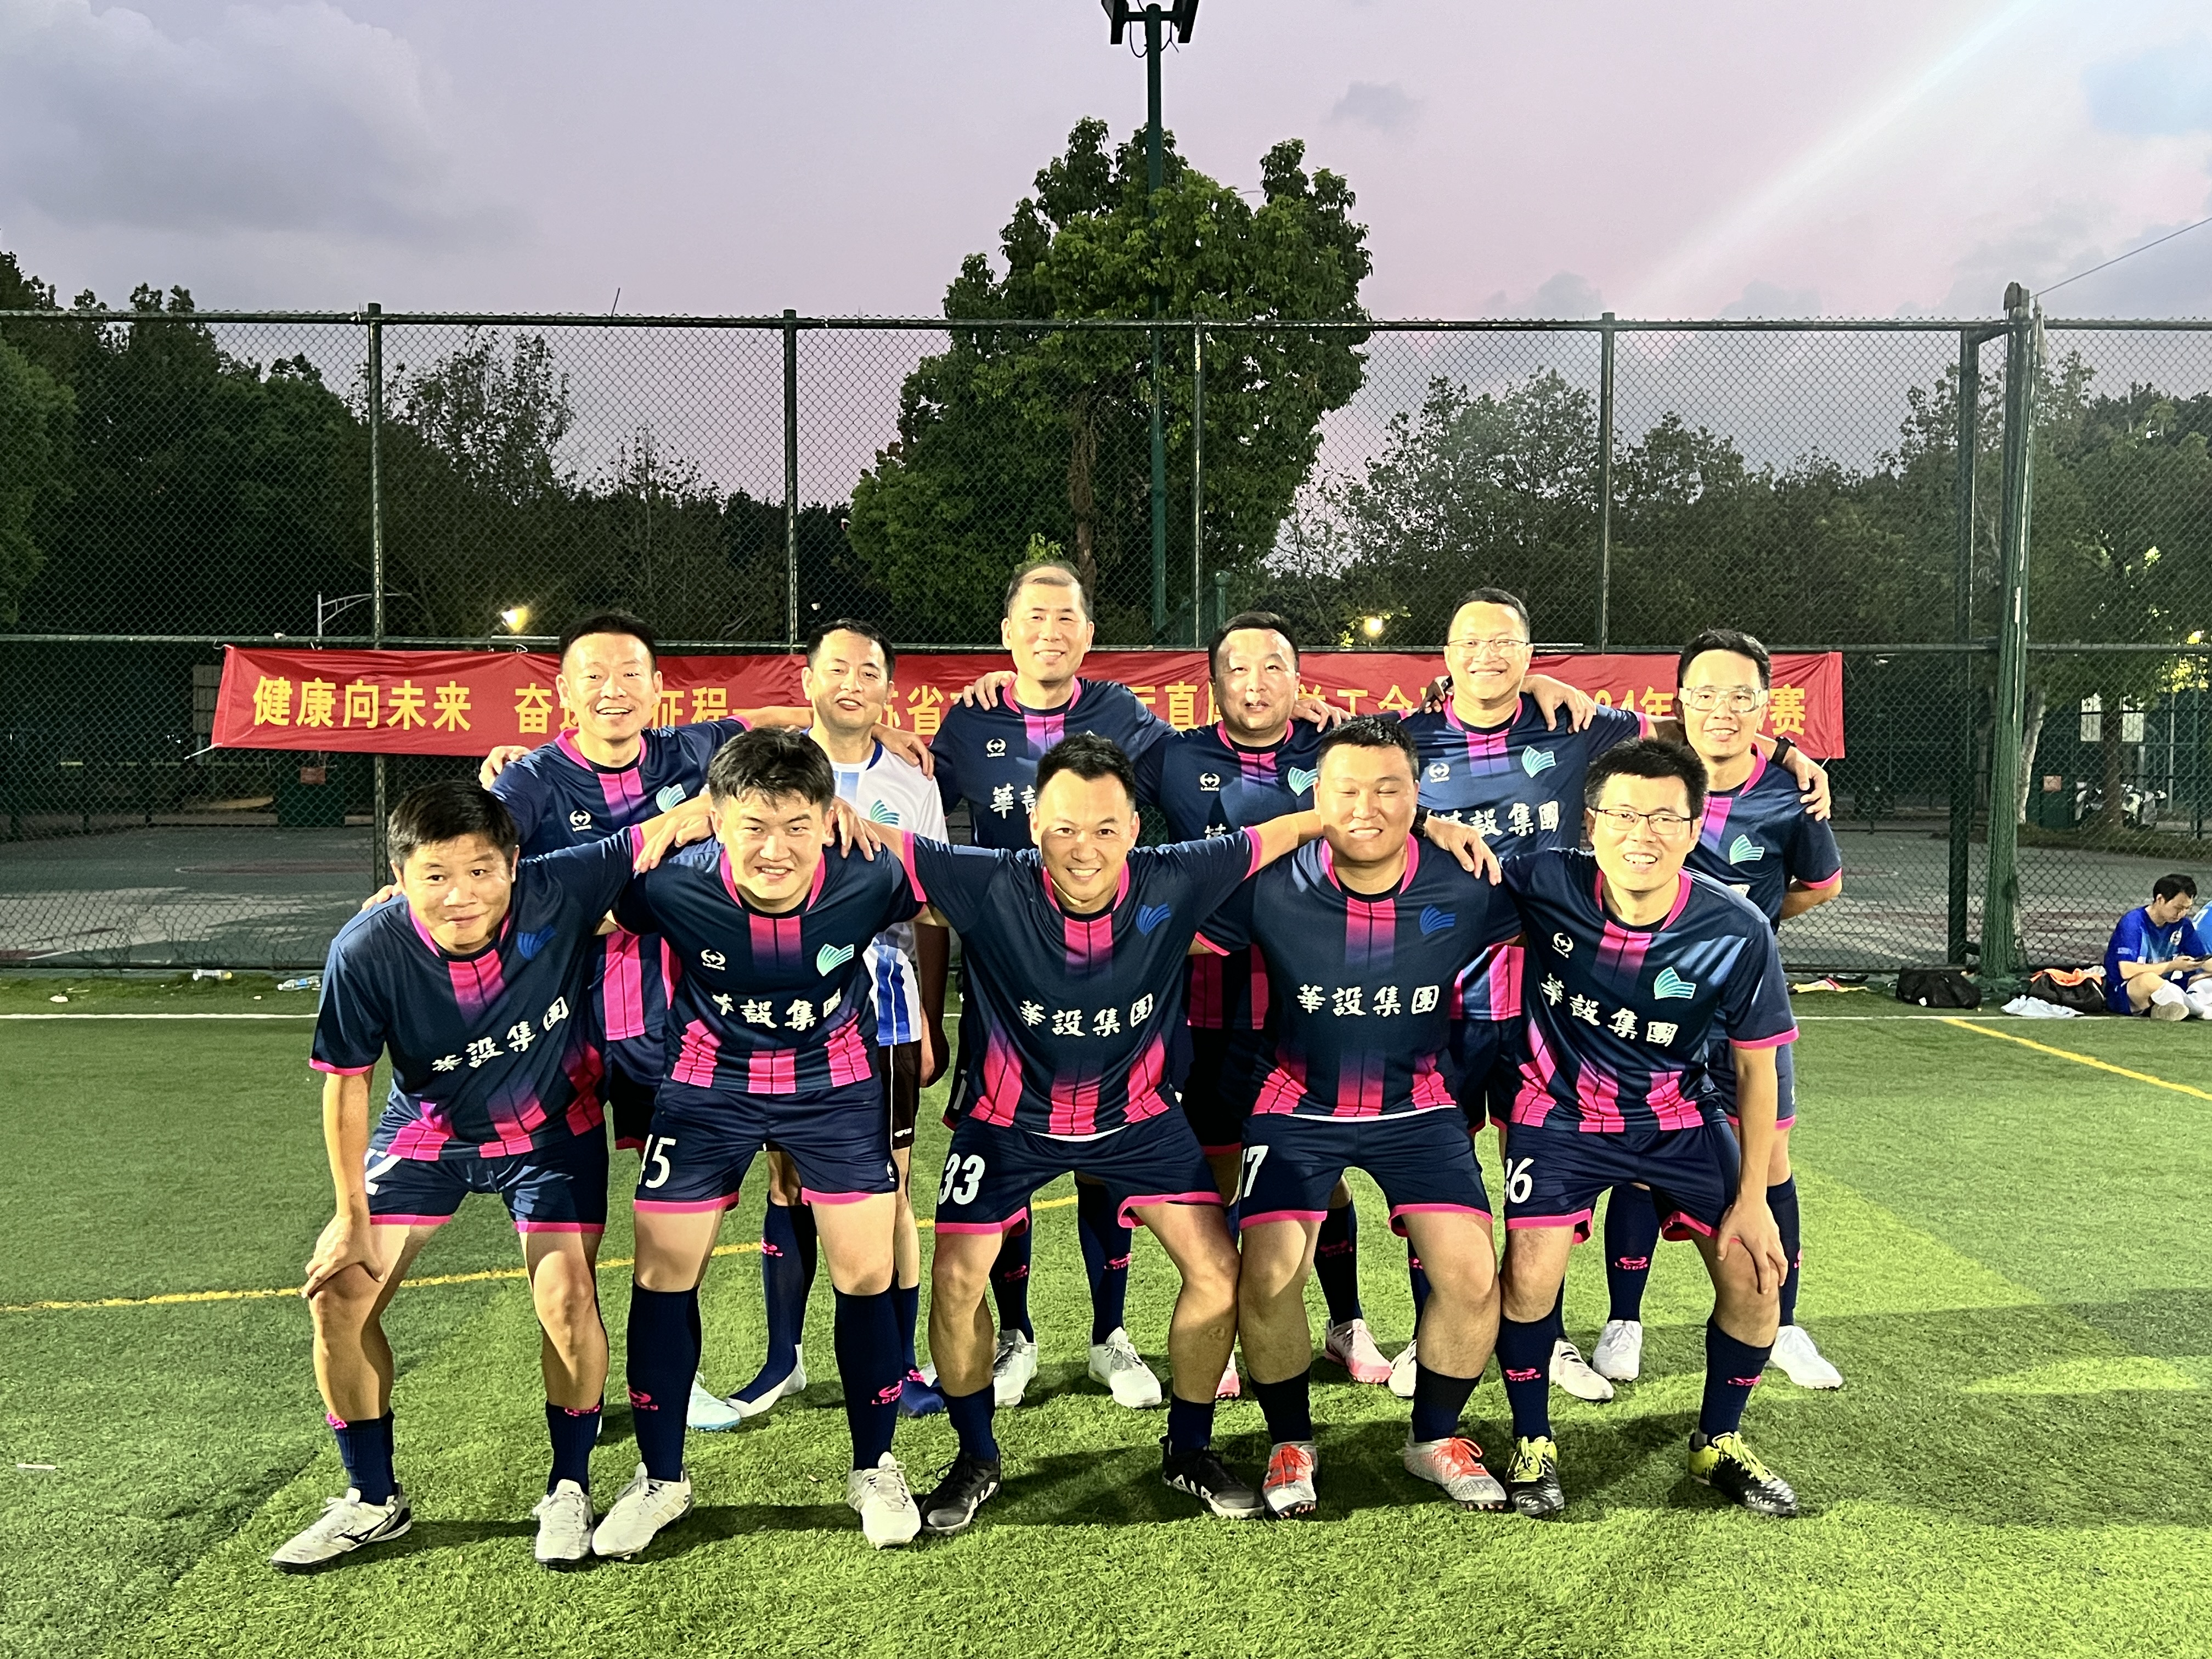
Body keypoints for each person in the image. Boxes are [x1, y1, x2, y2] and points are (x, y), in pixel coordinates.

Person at [895, 732, 1500, 1534]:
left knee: (1220, 1272)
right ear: (1034, 822)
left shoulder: (1174, 875)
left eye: (1105, 828)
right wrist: (749, 817)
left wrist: (1420, 824)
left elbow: (1298, 827)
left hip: (1142, 1120)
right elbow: (850, 836)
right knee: (955, 1278)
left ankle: (1190, 1449)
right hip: (1007, 1124)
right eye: (1065, 827)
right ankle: (976, 1457)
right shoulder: (983, 878)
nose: (1084, 848)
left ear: (1134, 829)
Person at [480, 610, 923, 1432]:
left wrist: (871, 739)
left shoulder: (693, 749)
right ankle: (586, 1391)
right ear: (562, 689)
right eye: (593, 676)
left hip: (675, 1026)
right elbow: (475, 866)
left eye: (630, 675)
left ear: (658, 687)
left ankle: (683, 1380)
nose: (613, 692)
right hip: (570, 1029)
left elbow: (779, 727)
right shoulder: (529, 781)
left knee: (698, 1214)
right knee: (571, 1235)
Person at [1397, 588, 1829, 1405]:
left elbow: (1685, 735)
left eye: (1506, 644)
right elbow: (1356, 793)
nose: (1487, 657)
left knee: (1712, 1155)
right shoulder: (1409, 737)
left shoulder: (1582, 727)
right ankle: (1439, 1333)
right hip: (1453, 994)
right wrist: (1427, 824)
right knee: (1446, 1169)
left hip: (1559, 994)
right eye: (1470, 643)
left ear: (1531, 656)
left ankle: (1572, 1337)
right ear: (1444, 656)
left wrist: (1780, 753)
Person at [274, 780, 696, 1572]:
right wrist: (350, 1214)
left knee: (567, 1300)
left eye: (480, 871)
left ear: (514, 863)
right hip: (428, 1134)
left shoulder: (562, 882)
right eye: (435, 875)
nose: (460, 895)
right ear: (399, 876)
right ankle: (372, 1498)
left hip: (553, 1132)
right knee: (338, 1297)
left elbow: (684, 819)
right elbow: (347, 1082)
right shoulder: (366, 950)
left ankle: (569, 1487)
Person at [585, 728, 933, 1556]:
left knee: (867, 1272)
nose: (775, 851)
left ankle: (875, 1467)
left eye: (796, 827)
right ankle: (661, 1479)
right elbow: (569, 906)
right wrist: (408, 907)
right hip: (707, 1091)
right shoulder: (671, 883)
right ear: (717, 818)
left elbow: (984, 892)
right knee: (663, 1275)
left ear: (827, 818)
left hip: (835, 1089)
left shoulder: (872, 873)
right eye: (753, 827)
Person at [1195, 718, 1521, 1517]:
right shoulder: (1269, 881)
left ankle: (1433, 1438)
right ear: (1317, 795)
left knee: (1472, 1276)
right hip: (1296, 1102)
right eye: (1347, 790)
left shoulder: (1467, 881)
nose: (1366, 807)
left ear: (1418, 796)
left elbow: (1564, 920)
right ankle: (1290, 1441)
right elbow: (1171, 924)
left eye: (1389, 790)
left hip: (1418, 1105)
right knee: (1269, 1274)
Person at [1492, 738, 1800, 1521]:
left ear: (1695, 829)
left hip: (1680, 1116)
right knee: (1528, 1278)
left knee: (1758, 1279)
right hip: (1559, 1114)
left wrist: (1756, 1198)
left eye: (1665, 817)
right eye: (1624, 814)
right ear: (1591, 823)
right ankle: (1532, 1440)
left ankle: (1718, 1442)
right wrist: (1435, 827)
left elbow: (1757, 1072)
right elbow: (1436, 870)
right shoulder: (1543, 881)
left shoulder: (1737, 928)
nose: (1643, 834)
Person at [1139, 612, 1390, 1392]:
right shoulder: (1172, 756)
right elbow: (1083, 776)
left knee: (1322, 1168)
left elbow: (1421, 759)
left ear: (1299, 680)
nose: (1256, 684)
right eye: (1238, 669)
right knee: (1218, 1172)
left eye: (1274, 668)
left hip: (1311, 1002)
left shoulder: (1335, 750)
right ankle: (1222, 1327)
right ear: (1213, 682)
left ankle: (1346, 1323)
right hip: (1207, 1006)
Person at [1595, 629, 1844, 1391]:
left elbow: (1822, 886)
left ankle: (1785, 1324)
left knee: (1769, 1162)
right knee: (1640, 1160)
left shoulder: (1791, 793)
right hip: (1650, 1009)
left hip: (1743, 1013)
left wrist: (1748, 932)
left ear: (1767, 704)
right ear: (1681, 701)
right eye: (1705, 694)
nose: (1722, 711)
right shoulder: (1651, 773)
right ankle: (1624, 1321)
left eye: (1741, 696)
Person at [730, 620, 953, 1424]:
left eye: (868, 671)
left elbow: (933, 907)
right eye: (836, 669)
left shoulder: (912, 782)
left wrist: (931, 1015)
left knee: (890, 1184)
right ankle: (782, 1360)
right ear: (809, 682)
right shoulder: (770, 765)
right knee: (787, 1180)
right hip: (784, 1009)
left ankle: (900, 1362)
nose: (852, 683)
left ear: (889, 688)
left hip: (884, 1008)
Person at [2104, 873, 2212, 1019]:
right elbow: (2127, 971)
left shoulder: (2183, 925)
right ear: (2160, 899)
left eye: (2187, 908)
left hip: (2166, 985)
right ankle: (2200, 1011)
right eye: (2178, 907)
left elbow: (2202, 960)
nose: (2182, 914)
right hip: (2126, 991)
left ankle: (2166, 1007)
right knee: (2148, 980)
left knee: (2203, 978)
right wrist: (2172, 966)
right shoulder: (2134, 923)